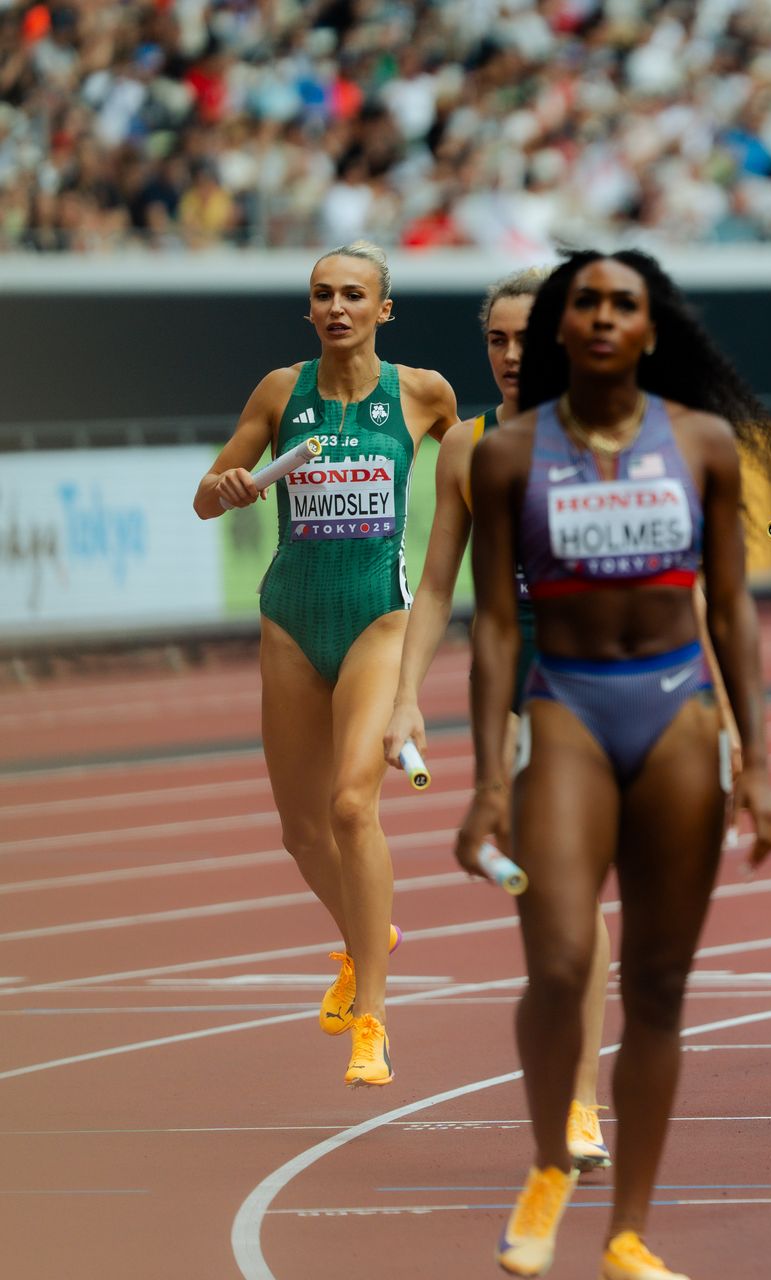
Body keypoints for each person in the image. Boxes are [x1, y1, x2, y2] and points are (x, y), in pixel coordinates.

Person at [456, 249, 771, 1280]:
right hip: (566, 710)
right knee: (556, 962)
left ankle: (629, 1229)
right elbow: (497, 626)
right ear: (562, 326)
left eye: (622, 304)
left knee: (657, 987)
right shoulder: (508, 454)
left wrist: (757, 762)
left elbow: (729, 606)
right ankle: (551, 1157)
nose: (602, 317)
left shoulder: (703, 442)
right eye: (584, 301)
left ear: (651, 329)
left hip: (679, 712)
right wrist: (483, 780)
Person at [193, 240, 460, 1085]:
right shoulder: (281, 392)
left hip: (378, 619)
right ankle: (368, 933)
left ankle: (372, 1018)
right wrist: (229, 487)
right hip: (288, 621)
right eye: (322, 294)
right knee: (301, 830)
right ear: (308, 309)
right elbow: (206, 495)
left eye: (354, 294)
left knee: (351, 806)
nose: (336, 307)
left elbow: (479, 465)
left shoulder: (421, 393)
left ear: (385, 309)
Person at [380, 267, 612, 1170]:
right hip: (510, 678)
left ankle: (582, 1102)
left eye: (529, 339)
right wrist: (405, 693)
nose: (513, 357)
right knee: (555, 902)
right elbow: (436, 584)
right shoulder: (467, 446)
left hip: (596, 677)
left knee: (569, 891)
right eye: (497, 341)